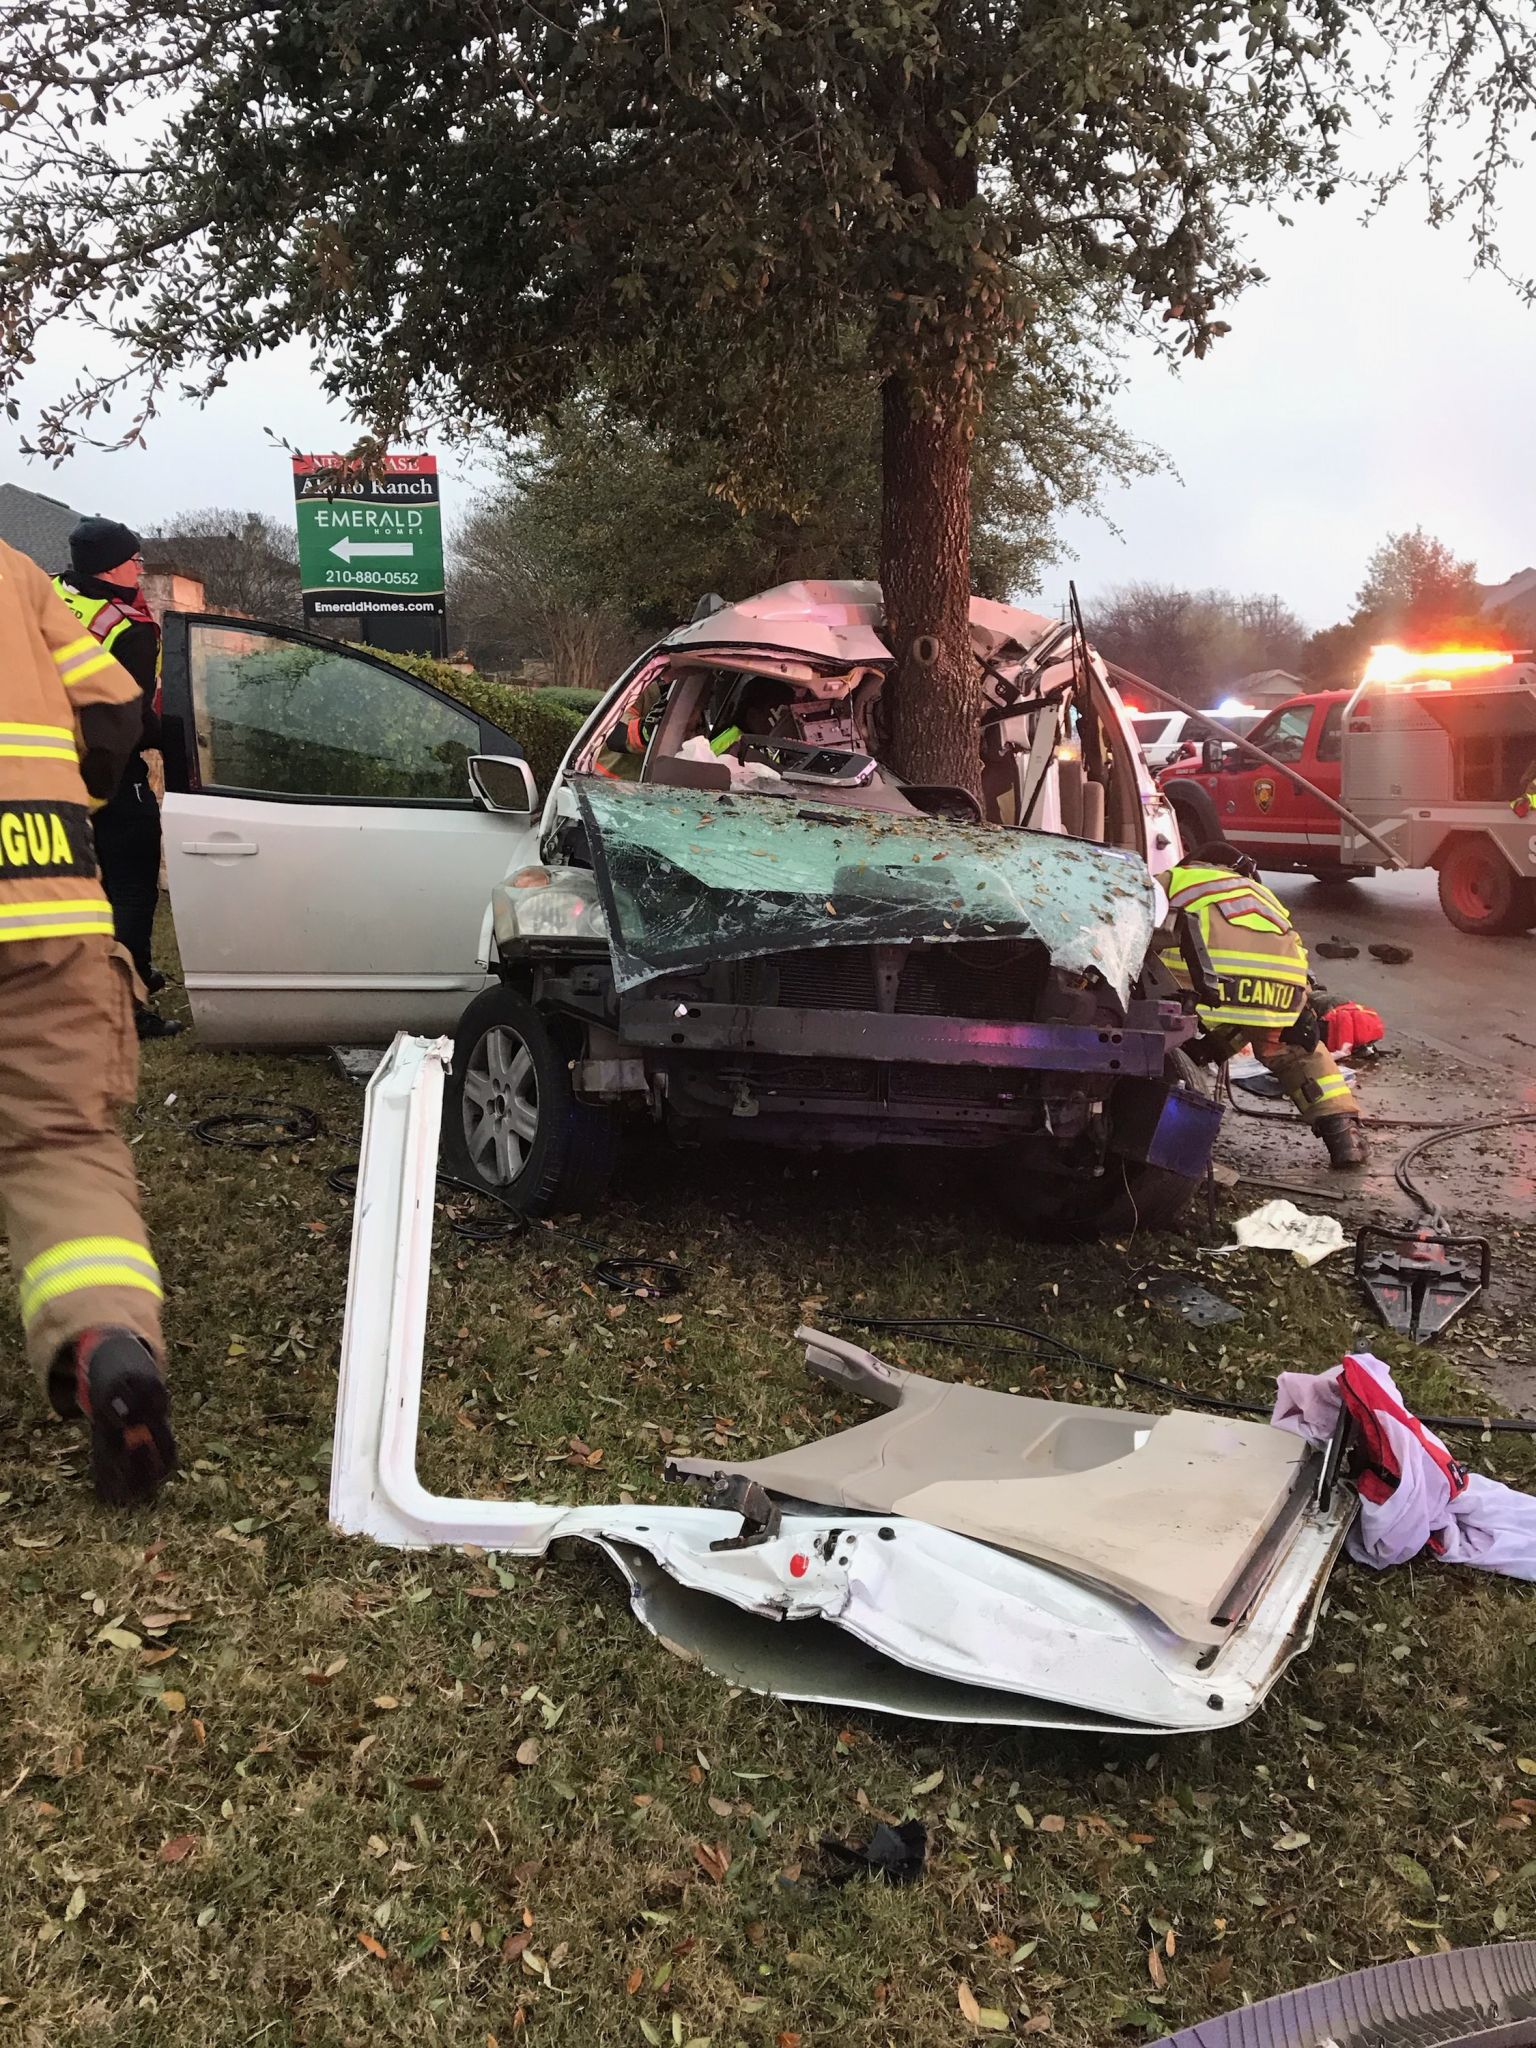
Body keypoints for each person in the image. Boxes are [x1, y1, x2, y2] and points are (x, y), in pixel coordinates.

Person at [0, 537, 176, 1501]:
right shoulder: (14, 575)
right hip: (49, 901)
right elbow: (113, 708)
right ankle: (107, 1341)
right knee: (60, 1147)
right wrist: (76, 807)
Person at [1160, 843, 1369, 1170]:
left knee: (1167, 1034)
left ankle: (1167, 1123)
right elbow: (1295, 946)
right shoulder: (1259, 893)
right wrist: (1300, 1005)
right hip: (1280, 984)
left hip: (1203, 981)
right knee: (1294, 1049)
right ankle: (1345, 1138)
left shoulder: (1171, 880)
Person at [53, 516, 181, 1038]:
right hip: (106, 767)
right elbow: (129, 715)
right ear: (111, 566)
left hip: (42, 762)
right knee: (131, 889)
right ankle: (125, 1007)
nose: (140, 568)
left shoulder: (53, 596)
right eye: (134, 560)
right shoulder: (127, 626)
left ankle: (104, 980)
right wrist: (170, 737)